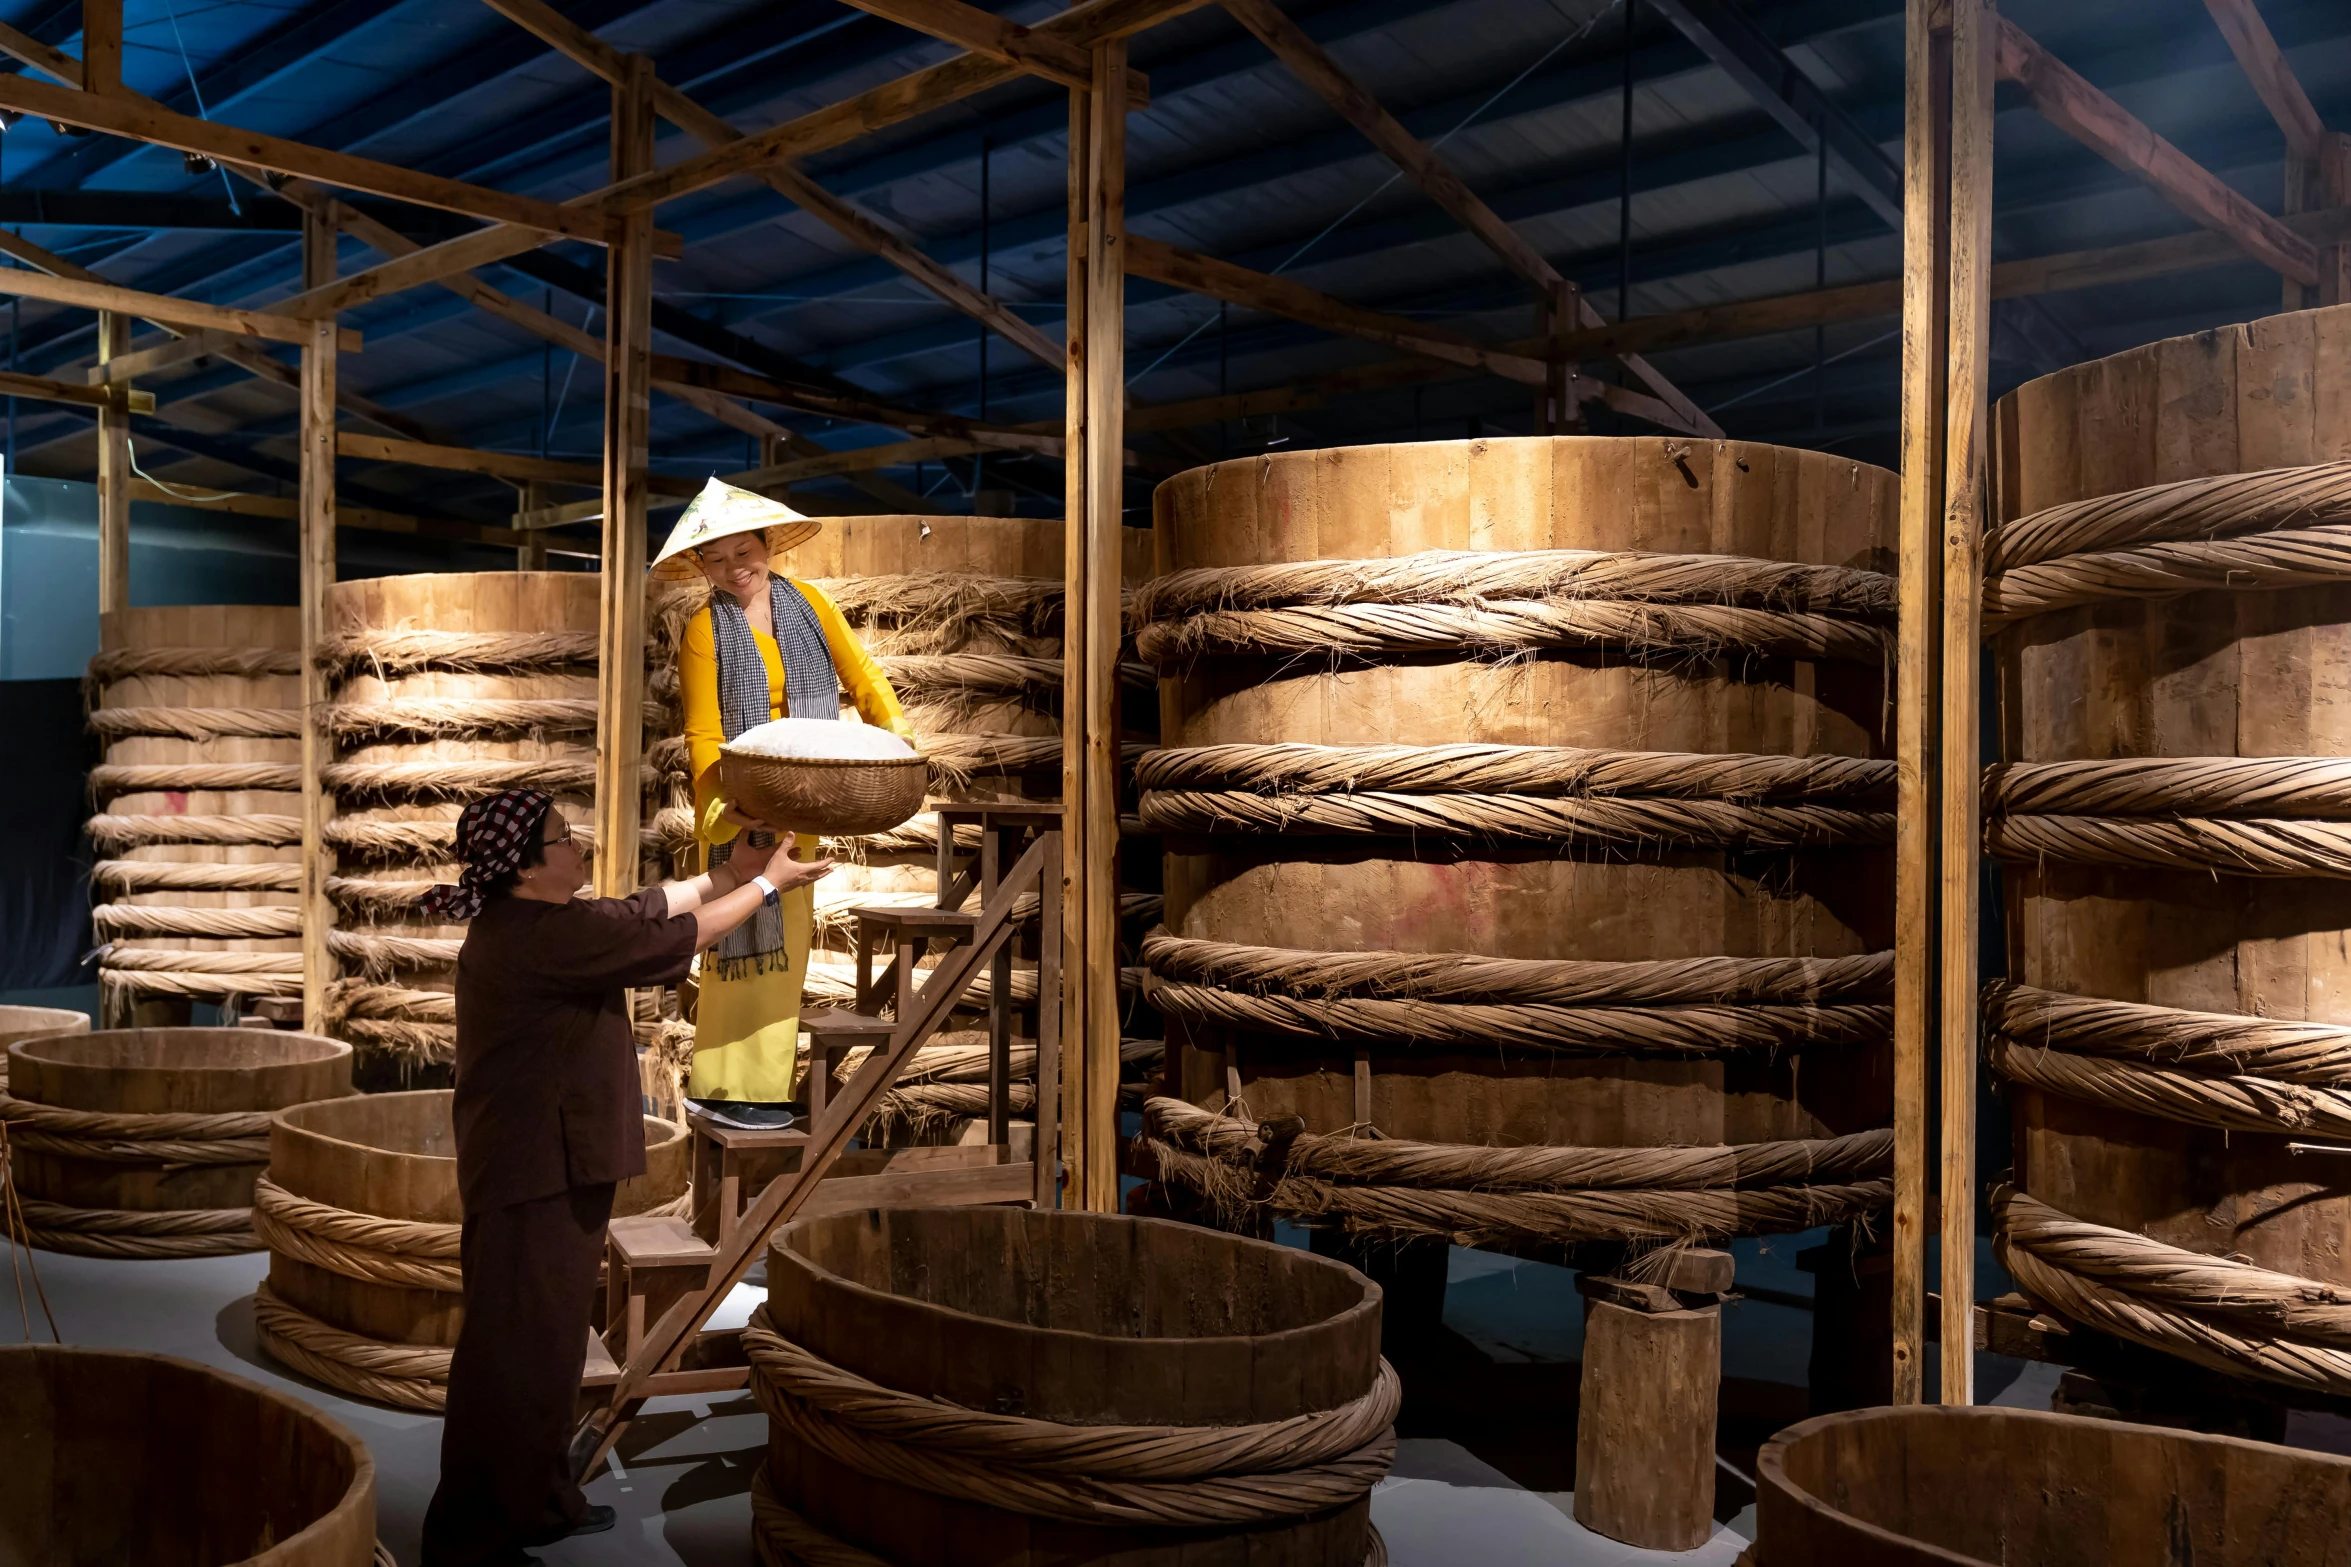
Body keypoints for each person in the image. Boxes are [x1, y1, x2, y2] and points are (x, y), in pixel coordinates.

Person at [416, 787, 833, 1567]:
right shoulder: (537, 937)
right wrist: (766, 884)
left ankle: (537, 1501)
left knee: (543, 1350)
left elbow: (636, 912)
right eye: (563, 837)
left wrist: (727, 871)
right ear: (527, 868)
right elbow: (666, 937)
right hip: (532, 1169)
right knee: (512, 1356)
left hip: (551, 1164)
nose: (579, 845)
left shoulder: (542, 922)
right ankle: (472, 1536)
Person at [654, 479, 913, 1131]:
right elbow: (705, 734)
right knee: (738, 943)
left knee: (785, 945)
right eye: (717, 559)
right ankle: (724, 1087)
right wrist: (725, 812)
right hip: (743, 806)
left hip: (809, 795)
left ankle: (758, 1085)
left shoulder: (811, 604)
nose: (735, 568)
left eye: (745, 551)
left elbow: (863, 677)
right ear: (702, 567)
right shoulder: (702, 631)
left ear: (767, 545)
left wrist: (900, 740)